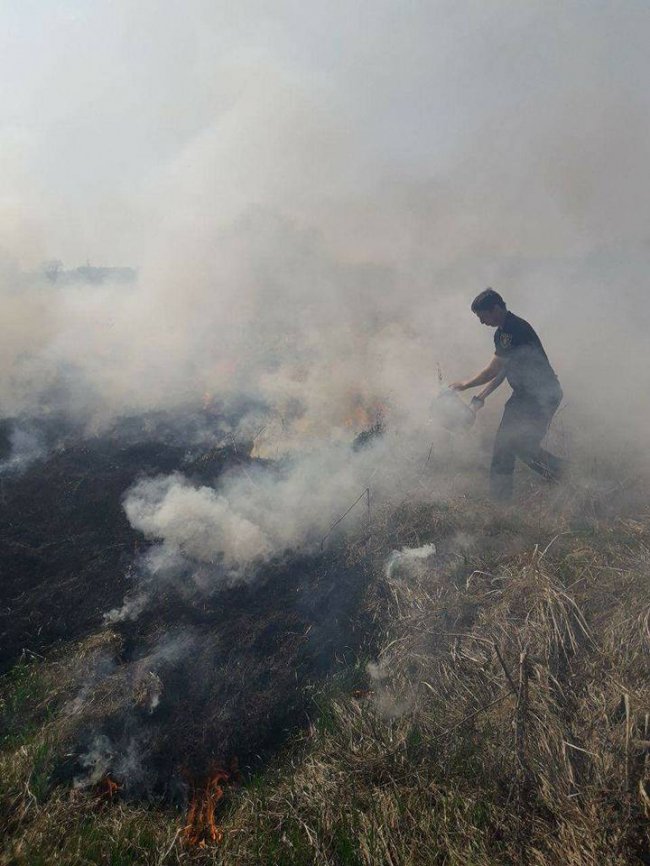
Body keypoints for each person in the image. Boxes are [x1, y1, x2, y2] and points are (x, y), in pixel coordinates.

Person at [451, 288, 564, 502]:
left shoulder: (514, 329)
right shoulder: (502, 333)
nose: (482, 322)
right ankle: (500, 503)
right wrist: (480, 397)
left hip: (541, 396)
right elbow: (504, 370)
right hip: (524, 396)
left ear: (495, 309)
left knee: (521, 446)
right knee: (506, 446)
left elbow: (493, 369)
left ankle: (562, 474)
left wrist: (465, 385)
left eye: (482, 316)